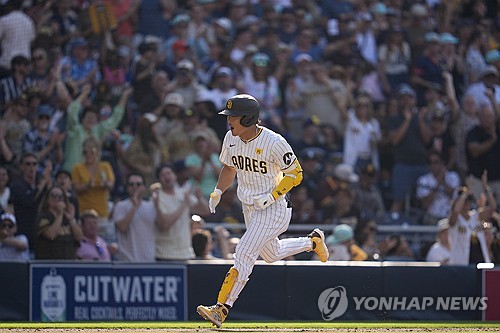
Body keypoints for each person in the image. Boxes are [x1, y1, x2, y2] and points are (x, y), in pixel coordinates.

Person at [196, 94, 329, 328]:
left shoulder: (274, 142)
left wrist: (272, 196)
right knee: (271, 254)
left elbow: (295, 174)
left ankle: (222, 308)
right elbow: (229, 166)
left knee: (244, 251)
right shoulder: (231, 138)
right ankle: (312, 242)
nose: (229, 121)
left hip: (275, 207)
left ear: (248, 119)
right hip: (250, 207)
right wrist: (218, 191)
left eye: (234, 117)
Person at [112, 173, 157, 262]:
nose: (135, 187)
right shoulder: (120, 206)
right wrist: (134, 207)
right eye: (131, 184)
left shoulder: (151, 206)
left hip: (148, 259)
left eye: (138, 184)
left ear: (144, 188)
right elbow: (122, 227)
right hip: (126, 260)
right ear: (127, 188)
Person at [34, 185, 82, 259]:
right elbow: (51, 235)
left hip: (68, 262)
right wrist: (59, 215)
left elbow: (79, 238)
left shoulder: (67, 218)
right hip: (49, 264)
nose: (56, 198)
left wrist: (72, 219)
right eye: (53, 195)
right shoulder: (43, 216)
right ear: (47, 199)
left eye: (60, 196)